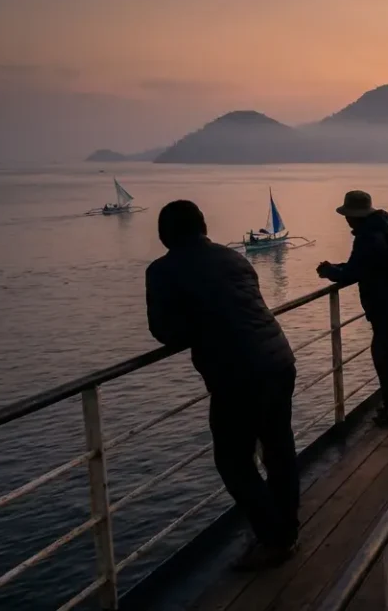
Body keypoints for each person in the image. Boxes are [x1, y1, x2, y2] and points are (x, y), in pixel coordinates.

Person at [145, 200, 299, 570]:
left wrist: (198, 325)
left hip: (236, 373)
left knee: (232, 461)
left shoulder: (163, 271)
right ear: (203, 226)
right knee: (278, 449)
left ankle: (274, 537)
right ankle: (286, 528)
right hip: (279, 359)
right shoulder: (234, 259)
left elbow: (164, 331)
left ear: (164, 235)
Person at [317, 191, 388, 426]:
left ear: (355, 215)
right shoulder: (382, 229)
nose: (346, 220)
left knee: (386, 358)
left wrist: (329, 271)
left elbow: (353, 273)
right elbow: (363, 266)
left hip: (387, 306)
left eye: (348, 215)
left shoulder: (368, 238)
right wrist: (337, 267)